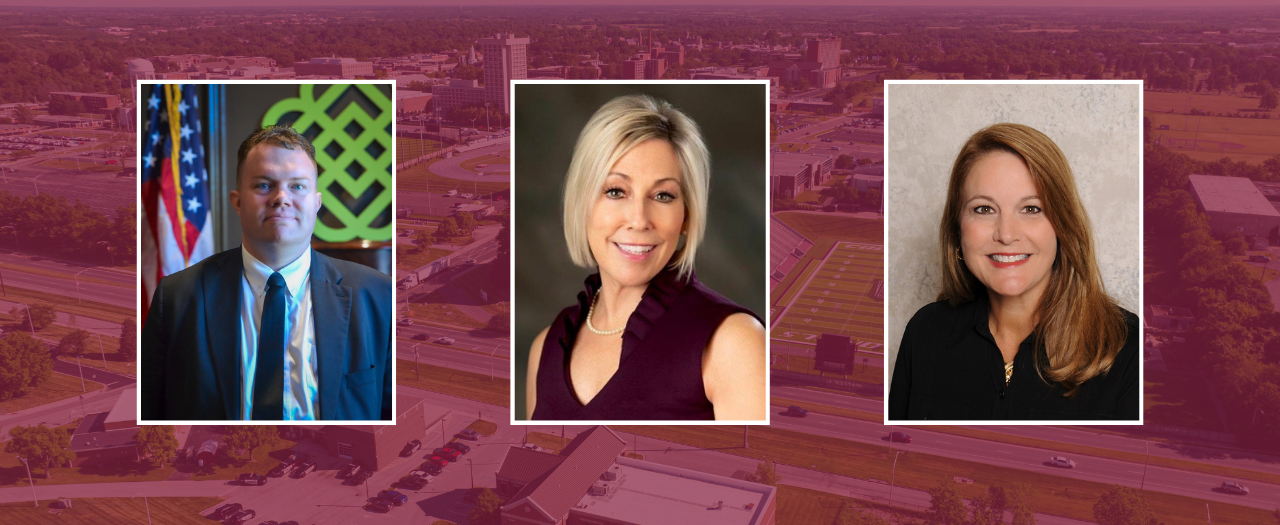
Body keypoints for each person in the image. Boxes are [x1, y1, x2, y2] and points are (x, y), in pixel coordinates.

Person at [526, 94, 766, 421]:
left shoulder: (735, 342)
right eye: (615, 191)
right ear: (582, 204)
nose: (639, 219)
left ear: (686, 216)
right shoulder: (545, 349)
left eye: (663, 195)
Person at [888, 123, 1138, 421]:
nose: (1006, 234)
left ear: (1063, 226)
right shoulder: (925, 332)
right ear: (958, 231)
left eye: (1031, 209)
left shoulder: (1127, 347)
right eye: (983, 209)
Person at [142, 125, 392, 421]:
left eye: (297, 186)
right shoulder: (176, 297)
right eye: (264, 185)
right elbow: (151, 415)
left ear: (316, 203)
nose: (280, 198)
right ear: (237, 202)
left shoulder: (379, 295)